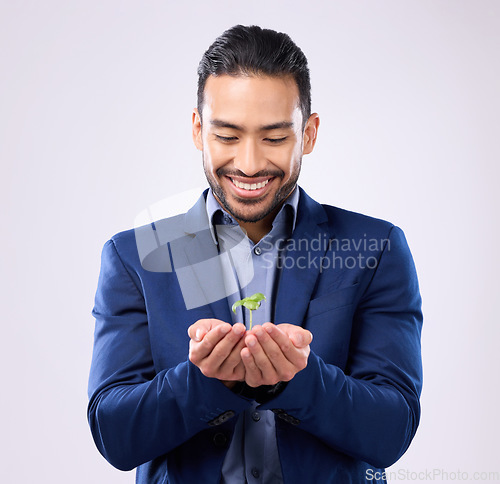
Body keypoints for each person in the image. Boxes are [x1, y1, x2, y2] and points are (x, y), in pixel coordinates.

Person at [88, 24, 423, 484]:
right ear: (197, 130)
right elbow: (115, 436)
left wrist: (300, 380)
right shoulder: (134, 257)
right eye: (227, 136)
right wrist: (203, 382)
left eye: (273, 137)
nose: (248, 163)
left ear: (308, 134)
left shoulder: (375, 248)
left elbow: (392, 431)